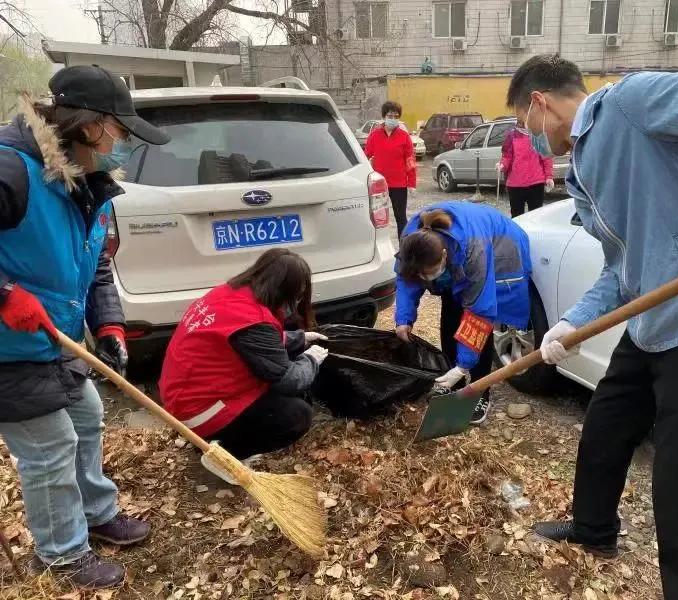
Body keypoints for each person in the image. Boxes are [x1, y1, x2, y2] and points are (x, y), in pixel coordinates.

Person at [506, 55, 678, 600]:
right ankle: (594, 531)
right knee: (605, 427)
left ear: (539, 103)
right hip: (652, 327)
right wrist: (571, 322)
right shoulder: (584, 172)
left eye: (524, 125)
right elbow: (622, 270)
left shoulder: (628, 105)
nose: (530, 139)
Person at [0, 66, 170, 588]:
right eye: (120, 131)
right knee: (49, 448)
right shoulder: (11, 171)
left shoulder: (86, 181)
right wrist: (4, 295)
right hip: (7, 349)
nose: (123, 145)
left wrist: (110, 326)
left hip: (56, 337)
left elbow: (93, 266)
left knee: (88, 417)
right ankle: (61, 553)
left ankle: (96, 515)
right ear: (90, 125)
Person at [159, 249, 329, 474]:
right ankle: (226, 455)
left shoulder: (231, 295)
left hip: (186, 395)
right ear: (283, 291)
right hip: (199, 410)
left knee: (287, 390)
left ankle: (221, 437)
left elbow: (254, 341)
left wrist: (300, 339)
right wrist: (311, 360)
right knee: (296, 416)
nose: (296, 302)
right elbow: (288, 380)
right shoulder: (253, 320)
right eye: (296, 296)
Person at [394, 202, 532, 425]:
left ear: (445, 256)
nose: (424, 278)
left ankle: (480, 392)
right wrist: (403, 319)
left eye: (428, 273)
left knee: (478, 327)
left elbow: (479, 314)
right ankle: (454, 387)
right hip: (460, 253)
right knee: (451, 314)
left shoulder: (474, 250)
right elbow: (406, 279)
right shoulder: (411, 240)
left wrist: (464, 364)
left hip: (500, 249)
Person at [365, 101, 417, 237]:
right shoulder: (374, 135)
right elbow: (365, 157)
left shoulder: (404, 136)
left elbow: (410, 160)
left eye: (396, 116)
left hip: (399, 184)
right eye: (390, 116)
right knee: (377, 219)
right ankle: (379, 248)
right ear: (384, 116)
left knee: (401, 219)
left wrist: (411, 183)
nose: (393, 119)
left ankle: (404, 249)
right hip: (379, 185)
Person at [498, 121, 554, 218]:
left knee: (536, 217)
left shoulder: (539, 135)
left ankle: (534, 234)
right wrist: (502, 165)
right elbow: (507, 156)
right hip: (515, 185)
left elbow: (546, 157)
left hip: (536, 183)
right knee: (517, 217)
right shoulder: (512, 135)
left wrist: (549, 176)